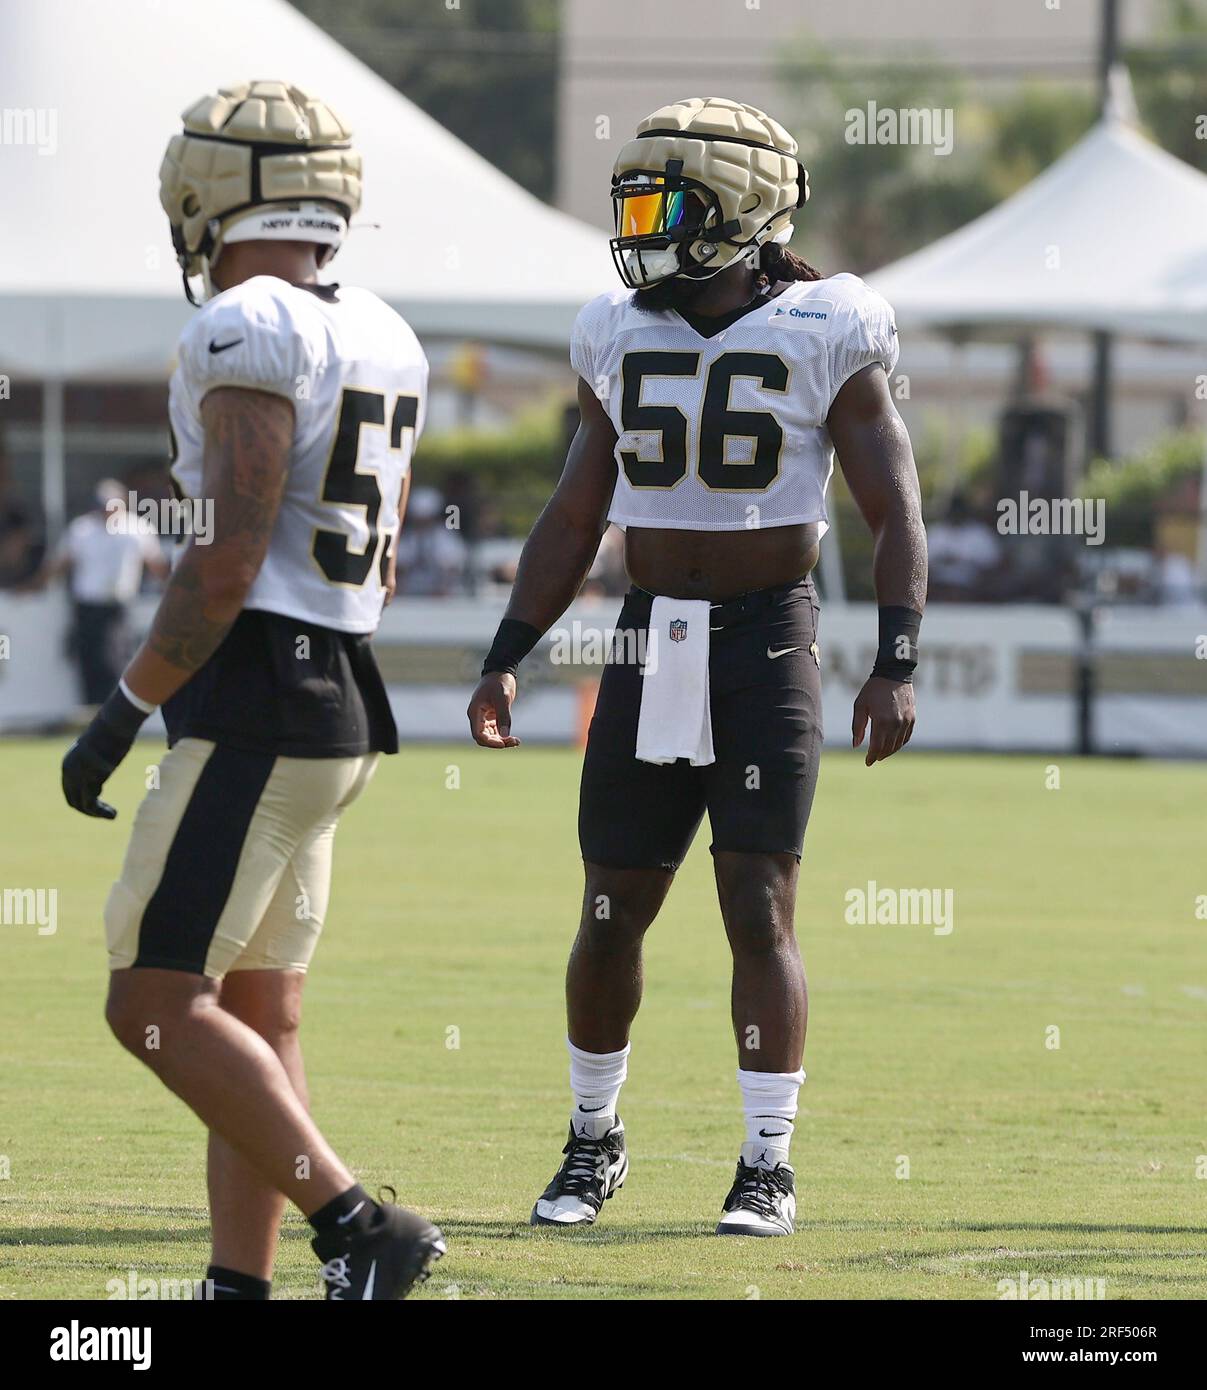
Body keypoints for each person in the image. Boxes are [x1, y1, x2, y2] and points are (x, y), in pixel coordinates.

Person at [467, 98, 927, 1237]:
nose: (640, 228)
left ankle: (765, 1161)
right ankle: (591, 1139)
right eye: (633, 203)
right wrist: (507, 655)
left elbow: (892, 505)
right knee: (611, 908)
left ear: (741, 208)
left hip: (767, 636)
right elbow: (576, 512)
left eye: (663, 203)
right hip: (646, 632)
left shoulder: (830, 323)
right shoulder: (616, 330)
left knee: (756, 906)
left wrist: (897, 657)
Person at [60, 80, 443, 1299]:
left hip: (259, 705)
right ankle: (240, 1283)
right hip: (335, 700)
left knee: (155, 1004)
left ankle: (359, 1225)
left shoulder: (250, 323)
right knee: (258, 1016)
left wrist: (122, 709)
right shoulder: (383, 326)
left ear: (215, 193)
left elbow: (223, 562)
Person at [23, 479, 168, 704]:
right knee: (89, 658)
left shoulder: (137, 528)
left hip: (117, 605)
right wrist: (33, 587)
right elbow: (61, 564)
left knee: (115, 657)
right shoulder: (83, 529)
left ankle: (112, 707)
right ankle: (91, 707)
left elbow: (156, 565)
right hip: (88, 605)